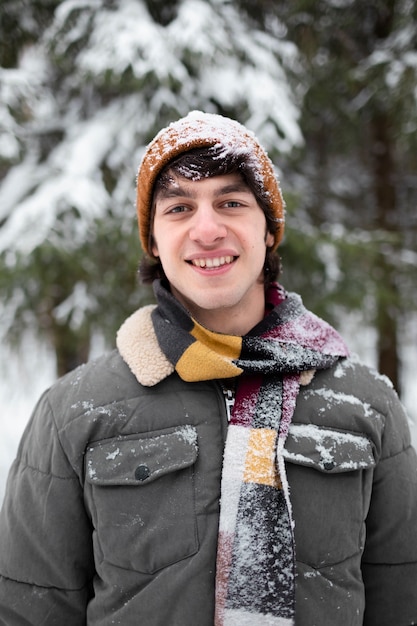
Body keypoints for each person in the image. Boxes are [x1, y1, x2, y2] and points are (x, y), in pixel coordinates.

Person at [0, 110, 416, 626]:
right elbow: (30, 609)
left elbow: (402, 600)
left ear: (268, 231)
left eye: (232, 202)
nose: (207, 229)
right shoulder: (73, 413)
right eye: (178, 207)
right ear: (153, 240)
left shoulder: (366, 405)